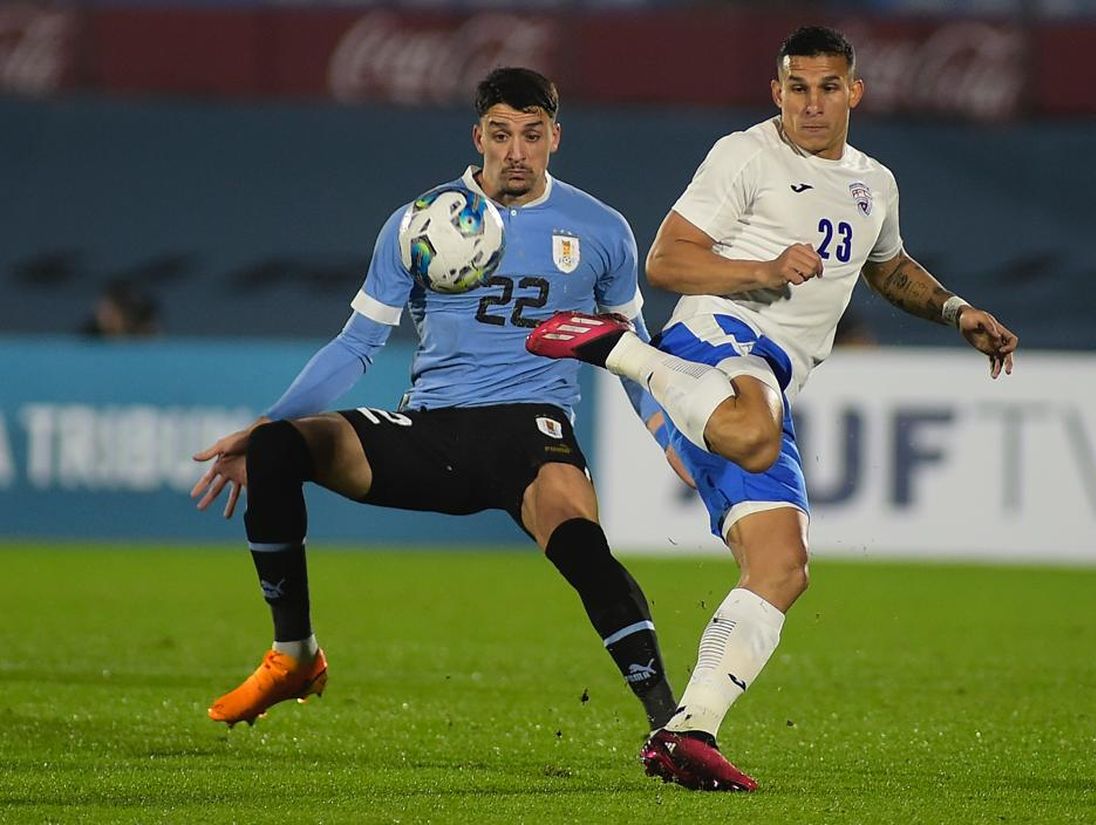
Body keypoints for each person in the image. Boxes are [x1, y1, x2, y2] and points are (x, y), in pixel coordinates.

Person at [527, 25, 1019, 792]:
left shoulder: (874, 183)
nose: (812, 104)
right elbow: (666, 259)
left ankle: (686, 731)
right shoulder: (746, 155)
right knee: (754, 437)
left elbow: (885, 266)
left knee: (782, 567)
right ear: (776, 91)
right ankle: (622, 349)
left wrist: (958, 311)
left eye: (828, 87)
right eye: (797, 87)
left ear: (854, 91)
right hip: (715, 335)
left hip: (766, 372)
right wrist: (761, 266)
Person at [190, 67, 679, 742]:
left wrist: (673, 438)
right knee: (277, 446)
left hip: (531, 431)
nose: (516, 151)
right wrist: (267, 422)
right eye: (502, 134)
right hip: (432, 432)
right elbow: (357, 344)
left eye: (532, 135)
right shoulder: (420, 222)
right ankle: (295, 654)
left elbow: (632, 351)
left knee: (583, 548)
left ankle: (672, 725)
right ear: (478, 135)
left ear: (554, 138)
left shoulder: (601, 230)